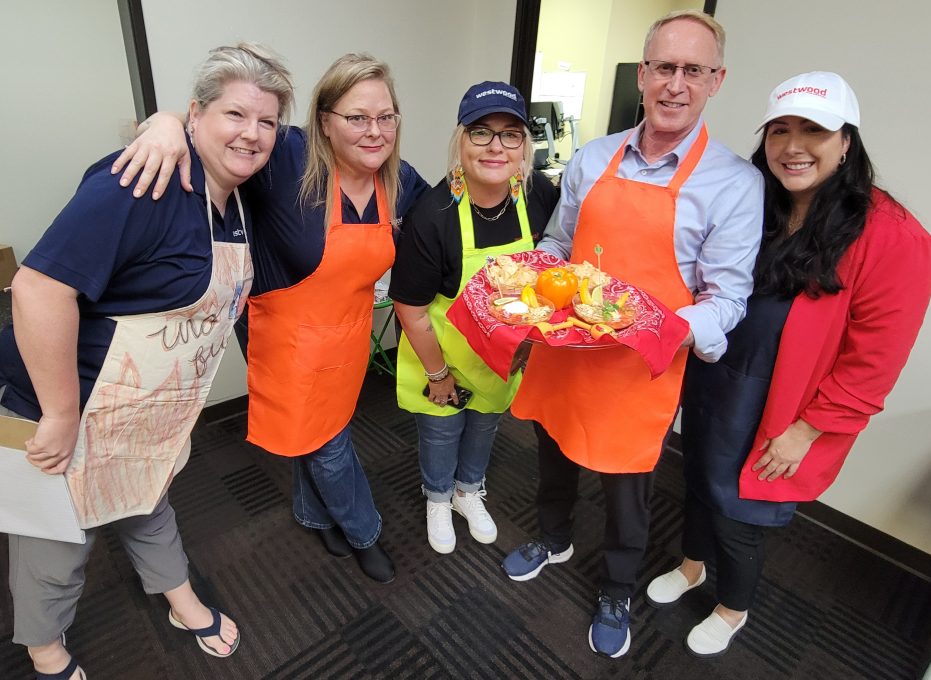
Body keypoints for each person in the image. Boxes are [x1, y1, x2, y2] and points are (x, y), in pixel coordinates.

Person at [0, 43, 294, 679]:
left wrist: (165, 118)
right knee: (54, 541)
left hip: (141, 406)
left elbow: (341, 126)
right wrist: (61, 413)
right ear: (196, 114)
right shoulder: (142, 182)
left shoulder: (239, 198)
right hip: (50, 398)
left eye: (266, 123)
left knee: (147, 500)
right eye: (234, 115)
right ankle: (45, 649)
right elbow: (38, 289)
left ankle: (179, 598)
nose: (253, 135)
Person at [499, 9, 765, 659]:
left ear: (716, 81)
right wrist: (525, 290)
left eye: (693, 70)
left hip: (639, 366)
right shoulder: (593, 156)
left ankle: (617, 584)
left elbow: (728, 298)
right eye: (665, 67)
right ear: (643, 75)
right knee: (553, 451)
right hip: (565, 353)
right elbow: (560, 244)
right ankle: (554, 536)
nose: (676, 83)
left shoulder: (732, 184)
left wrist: (654, 327)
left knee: (628, 491)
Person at [645, 71, 931, 658]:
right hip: (717, 377)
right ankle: (692, 565)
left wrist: (809, 430)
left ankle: (733, 607)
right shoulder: (755, 199)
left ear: (847, 141)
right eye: (780, 130)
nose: (793, 146)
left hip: (785, 405)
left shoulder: (892, 236)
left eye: (814, 131)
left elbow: (876, 358)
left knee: (742, 508)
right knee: (698, 478)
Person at [112, 53, 430, 584]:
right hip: (284, 329)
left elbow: (450, 214)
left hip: (347, 330)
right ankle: (364, 532)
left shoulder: (403, 182)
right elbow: (212, 138)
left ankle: (313, 514)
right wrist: (165, 123)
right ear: (324, 120)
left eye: (386, 116)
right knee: (328, 443)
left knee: (318, 428)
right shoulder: (286, 155)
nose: (375, 132)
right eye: (357, 117)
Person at [391, 82, 558, 554]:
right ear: (460, 140)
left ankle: (468, 491)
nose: (495, 147)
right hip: (440, 352)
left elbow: (551, 269)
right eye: (481, 133)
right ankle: (439, 498)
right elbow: (411, 308)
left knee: (485, 427)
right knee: (442, 434)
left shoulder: (536, 194)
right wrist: (438, 375)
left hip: (503, 357)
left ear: (524, 144)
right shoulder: (435, 212)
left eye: (510, 135)